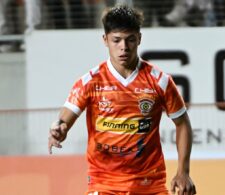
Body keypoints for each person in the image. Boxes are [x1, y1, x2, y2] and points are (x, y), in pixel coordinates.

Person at [48, 5, 196, 195]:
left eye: (130, 40)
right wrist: (59, 130)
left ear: (139, 39)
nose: (123, 47)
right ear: (105, 40)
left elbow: (182, 123)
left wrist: (183, 172)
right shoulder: (90, 82)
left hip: (149, 183)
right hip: (104, 184)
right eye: (116, 40)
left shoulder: (160, 81)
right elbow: (63, 121)